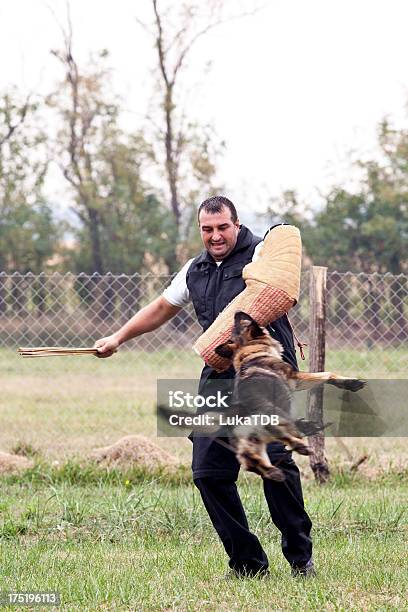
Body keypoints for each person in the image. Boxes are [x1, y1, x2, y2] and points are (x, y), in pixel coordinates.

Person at [94, 195, 315, 579]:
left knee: (274, 462)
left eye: (222, 228)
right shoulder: (194, 269)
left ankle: (300, 559)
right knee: (208, 472)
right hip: (219, 375)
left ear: (237, 223)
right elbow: (162, 308)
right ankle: (248, 563)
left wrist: (281, 230)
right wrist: (118, 337)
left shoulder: (258, 253)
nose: (215, 236)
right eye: (207, 229)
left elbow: (284, 266)